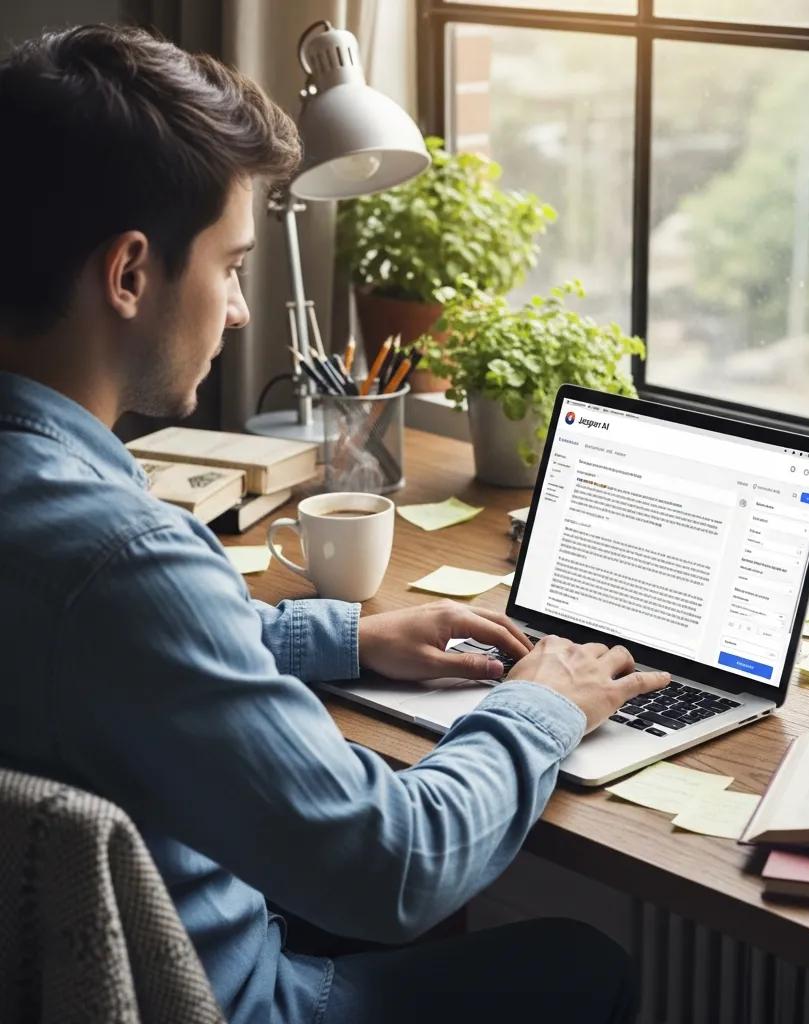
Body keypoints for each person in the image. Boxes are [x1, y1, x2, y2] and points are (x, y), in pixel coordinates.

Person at [0, 24, 671, 1024]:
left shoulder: (61, 537)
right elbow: (391, 865)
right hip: (228, 998)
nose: (236, 312)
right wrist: (542, 704)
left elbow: (78, 646)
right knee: (578, 963)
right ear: (130, 273)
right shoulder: (123, 559)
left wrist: (345, 635)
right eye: (231, 266)